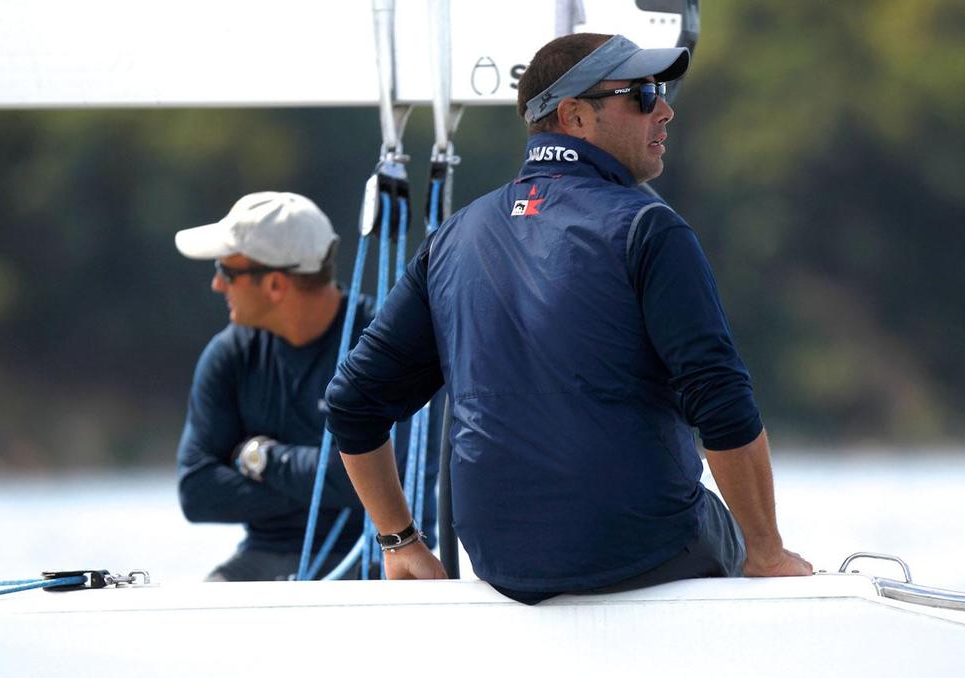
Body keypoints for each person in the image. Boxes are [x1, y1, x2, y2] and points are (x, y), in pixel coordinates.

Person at [325, 33, 811, 603]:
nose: (665, 109)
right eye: (644, 93)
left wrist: (399, 541)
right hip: (644, 548)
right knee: (742, 539)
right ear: (575, 116)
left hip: (503, 565)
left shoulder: (452, 238)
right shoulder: (648, 226)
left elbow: (353, 402)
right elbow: (719, 397)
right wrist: (766, 553)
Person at [174, 191, 437, 581]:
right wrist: (332, 484)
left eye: (227, 273)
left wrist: (261, 458)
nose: (216, 284)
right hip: (263, 556)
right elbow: (197, 493)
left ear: (276, 285)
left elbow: (381, 479)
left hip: (377, 558)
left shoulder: (385, 343)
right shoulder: (229, 354)